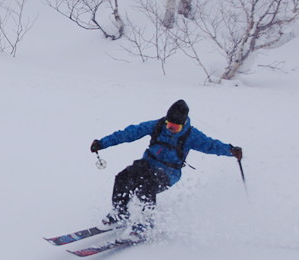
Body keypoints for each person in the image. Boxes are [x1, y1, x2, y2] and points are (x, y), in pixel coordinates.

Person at [90, 99, 243, 239]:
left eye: (175, 127)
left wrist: (230, 150)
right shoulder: (157, 125)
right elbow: (129, 133)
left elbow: (211, 145)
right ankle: (120, 213)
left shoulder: (191, 135)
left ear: (184, 124)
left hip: (169, 172)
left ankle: (145, 224)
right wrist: (102, 143)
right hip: (147, 163)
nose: (171, 129)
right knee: (123, 177)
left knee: (146, 187)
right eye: (169, 125)